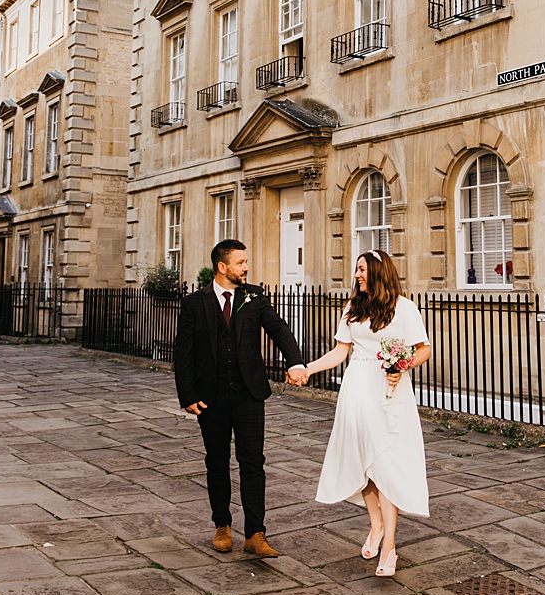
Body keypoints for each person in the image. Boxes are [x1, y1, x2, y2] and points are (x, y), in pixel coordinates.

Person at [296, 249, 430, 577]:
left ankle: (390, 547)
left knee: (385, 464)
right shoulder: (352, 308)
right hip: (356, 388)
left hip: (388, 391)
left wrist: (403, 365)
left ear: (378, 273)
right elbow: (340, 351)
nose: (357, 275)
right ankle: (376, 525)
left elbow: (424, 348)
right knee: (363, 464)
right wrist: (307, 368)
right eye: (356, 269)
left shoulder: (404, 308)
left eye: (362, 269)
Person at [173, 239, 307, 558]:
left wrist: (296, 361)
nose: (246, 267)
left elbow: (278, 328)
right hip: (211, 397)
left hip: (249, 393)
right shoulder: (195, 303)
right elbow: (183, 351)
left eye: (247, 262)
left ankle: (255, 534)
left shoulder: (254, 296)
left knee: (253, 462)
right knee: (217, 462)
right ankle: (222, 525)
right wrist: (187, 394)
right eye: (241, 262)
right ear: (223, 267)